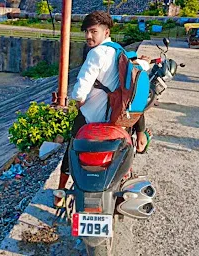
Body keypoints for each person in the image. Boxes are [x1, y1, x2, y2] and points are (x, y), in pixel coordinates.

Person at [54, 11, 152, 207]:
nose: (89, 36)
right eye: (86, 32)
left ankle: (60, 194)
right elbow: (131, 89)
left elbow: (80, 91)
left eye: (93, 31)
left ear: (106, 31)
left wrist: (78, 103)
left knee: (72, 151)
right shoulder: (121, 53)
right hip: (116, 122)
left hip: (92, 119)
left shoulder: (96, 53)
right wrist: (140, 130)